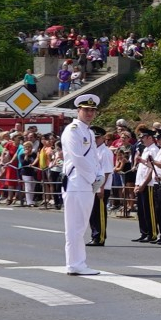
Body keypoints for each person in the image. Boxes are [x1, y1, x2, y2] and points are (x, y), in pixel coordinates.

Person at [59, 93, 108, 275]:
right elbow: (77, 158)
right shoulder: (72, 130)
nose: (89, 113)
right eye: (86, 110)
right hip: (76, 182)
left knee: (81, 226)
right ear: (78, 110)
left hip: (86, 183)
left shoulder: (87, 131)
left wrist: (100, 175)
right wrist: (92, 178)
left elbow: (94, 157)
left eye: (92, 110)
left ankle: (79, 262)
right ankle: (74, 263)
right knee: (75, 227)